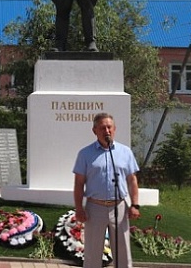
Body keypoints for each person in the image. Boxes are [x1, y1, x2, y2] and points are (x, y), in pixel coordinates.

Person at [73, 112, 140, 268]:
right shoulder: (85, 154)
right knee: (92, 252)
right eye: (102, 128)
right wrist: (78, 208)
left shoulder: (125, 152)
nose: (107, 131)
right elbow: (78, 184)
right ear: (95, 130)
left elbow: (132, 180)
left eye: (109, 127)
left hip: (119, 206)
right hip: (95, 207)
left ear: (114, 129)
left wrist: (135, 204)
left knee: (123, 252)